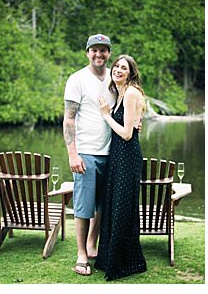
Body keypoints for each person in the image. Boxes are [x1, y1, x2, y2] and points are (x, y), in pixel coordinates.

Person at [63, 34, 115, 276]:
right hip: (86, 152)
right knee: (84, 207)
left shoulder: (114, 79)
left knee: (103, 205)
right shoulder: (77, 79)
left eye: (103, 50)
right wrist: (73, 154)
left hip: (111, 152)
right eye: (94, 50)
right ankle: (81, 254)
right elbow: (69, 119)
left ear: (109, 53)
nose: (98, 54)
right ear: (87, 53)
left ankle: (92, 245)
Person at [94, 54, 147, 281]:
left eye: (123, 67)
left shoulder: (131, 93)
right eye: (116, 66)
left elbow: (126, 134)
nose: (117, 69)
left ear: (131, 72)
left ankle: (124, 262)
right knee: (114, 206)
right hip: (118, 157)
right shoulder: (121, 94)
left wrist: (106, 115)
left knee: (122, 208)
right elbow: (133, 123)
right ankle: (109, 259)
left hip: (127, 156)